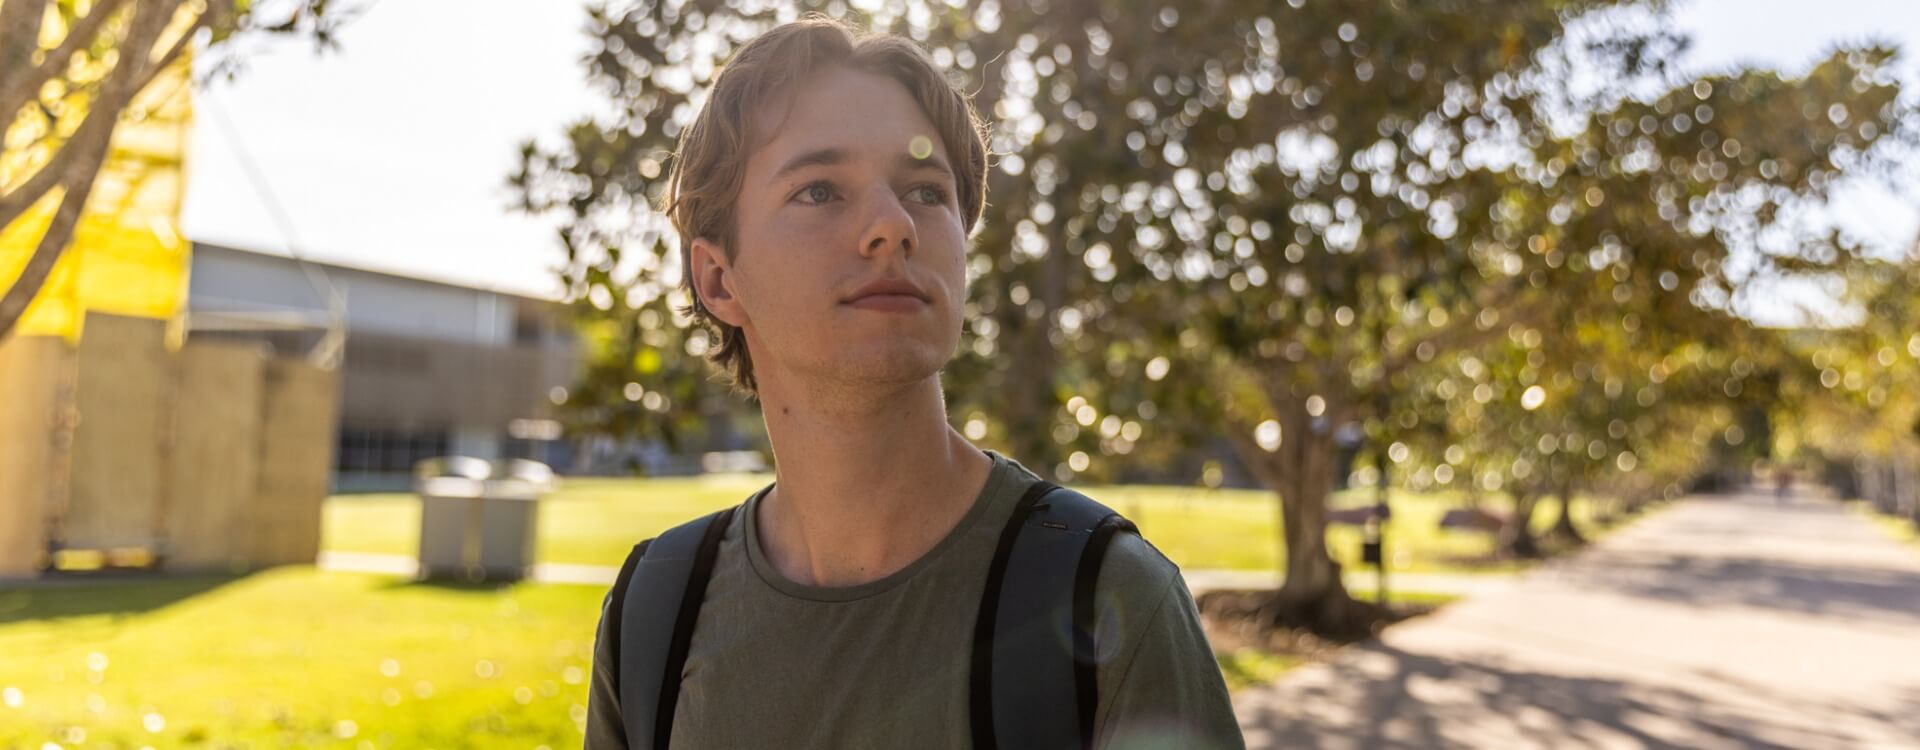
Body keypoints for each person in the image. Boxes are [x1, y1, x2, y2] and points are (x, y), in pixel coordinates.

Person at [582, 15, 1243, 750]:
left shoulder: (1110, 599)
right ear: (718, 277)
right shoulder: (654, 614)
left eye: (927, 191)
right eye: (821, 190)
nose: (892, 225)